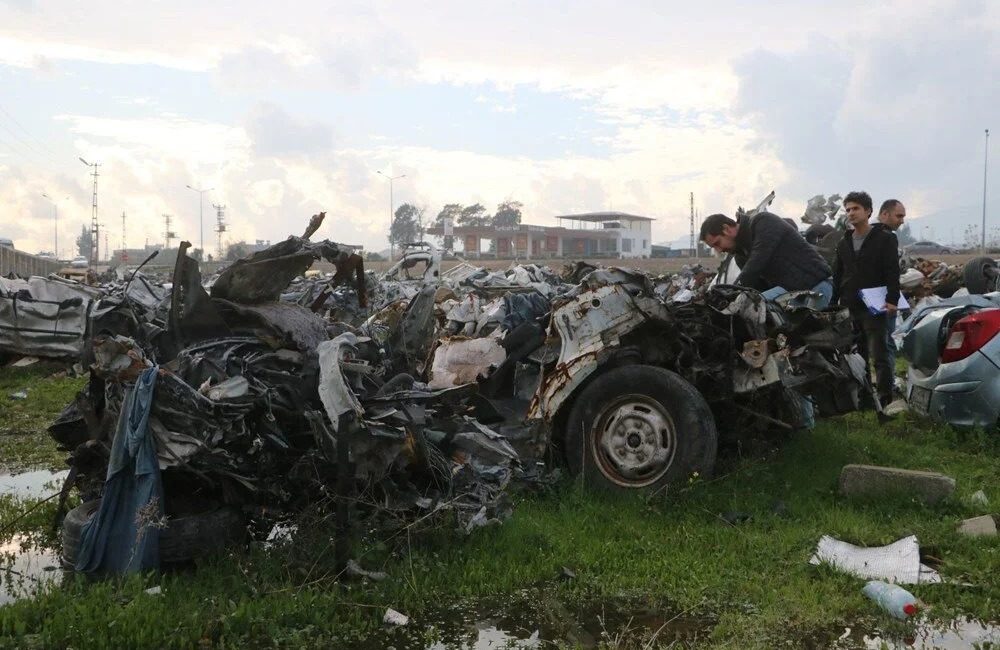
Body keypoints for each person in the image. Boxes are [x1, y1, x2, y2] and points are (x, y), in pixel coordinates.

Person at [831, 191, 900, 411]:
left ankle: (886, 399)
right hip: (851, 305)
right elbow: (838, 275)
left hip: (875, 303)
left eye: (856, 209)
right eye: (848, 210)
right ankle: (865, 400)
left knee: (879, 355)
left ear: (868, 211)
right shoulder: (844, 242)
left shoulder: (885, 238)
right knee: (857, 355)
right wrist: (834, 303)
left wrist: (892, 299)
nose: (851, 213)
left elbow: (892, 270)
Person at [700, 211, 833, 306]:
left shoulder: (763, 222)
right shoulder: (741, 256)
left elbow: (758, 259)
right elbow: (756, 290)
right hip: (790, 293)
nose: (719, 250)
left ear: (727, 229)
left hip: (816, 285)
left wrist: (730, 291)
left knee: (813, 334)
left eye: (717, 243)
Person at [875, 199, 906, 379]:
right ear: (885, 214)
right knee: (887, 343)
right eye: (899, 216)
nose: (902, 221)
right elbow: (892, 271)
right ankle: (888, 384)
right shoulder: (888, 237)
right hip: (883, 299)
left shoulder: (864, 234)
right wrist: (892, 300)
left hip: (865, 298)